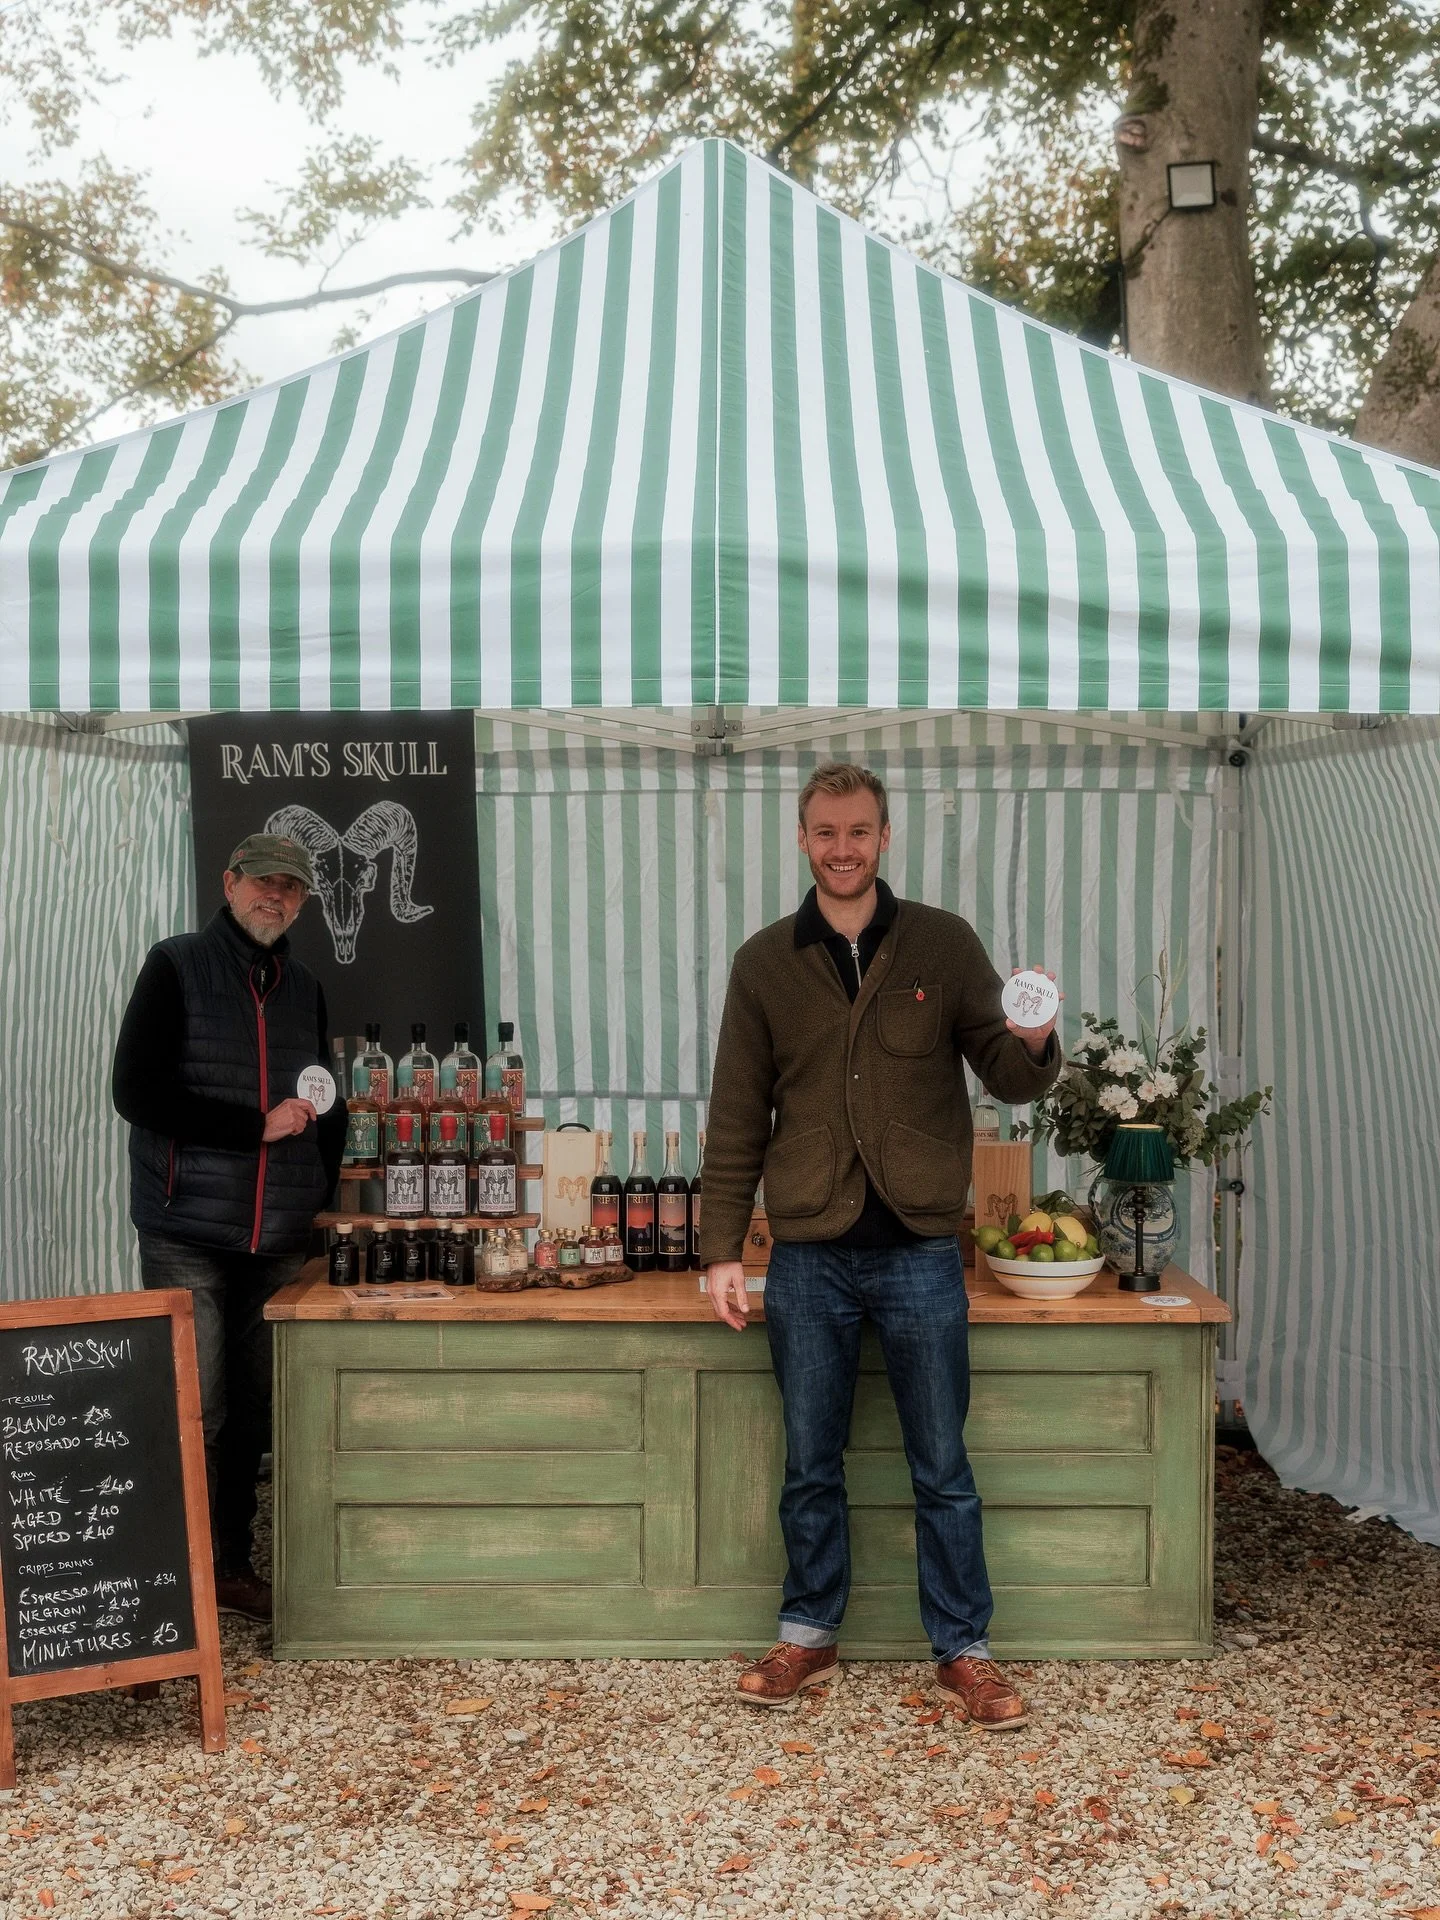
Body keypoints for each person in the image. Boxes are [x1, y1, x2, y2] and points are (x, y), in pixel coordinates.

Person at [700, 763, 1062, 1724]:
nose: (842, 847)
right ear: (803, 839)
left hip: (918, 1251)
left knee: (940, 1461)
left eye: (858, 831)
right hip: (809, 1250)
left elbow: (1008, 1075)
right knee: (810, 1458)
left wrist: (1033, 1039)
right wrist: (721, 1248)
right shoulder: (765, 961)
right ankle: (808, 1636)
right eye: (825, 832)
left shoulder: (942, 944)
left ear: (885, 837)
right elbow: (737, 1111)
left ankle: (966, 1650)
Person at [112, 832, 347, 1621]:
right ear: (230, 881)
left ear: (305, 902)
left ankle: (231, 1566)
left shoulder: (305, 986)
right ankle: (177, 1581)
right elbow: (137, 1094)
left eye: (291, 887)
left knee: (253, 1409)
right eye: (262, 882)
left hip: (275, 1236)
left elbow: (323, 1100)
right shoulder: (175, 964)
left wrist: (313, 1185)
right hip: (188, 1229)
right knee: (196, 1408)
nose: (274, 896)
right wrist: (255, 1126)